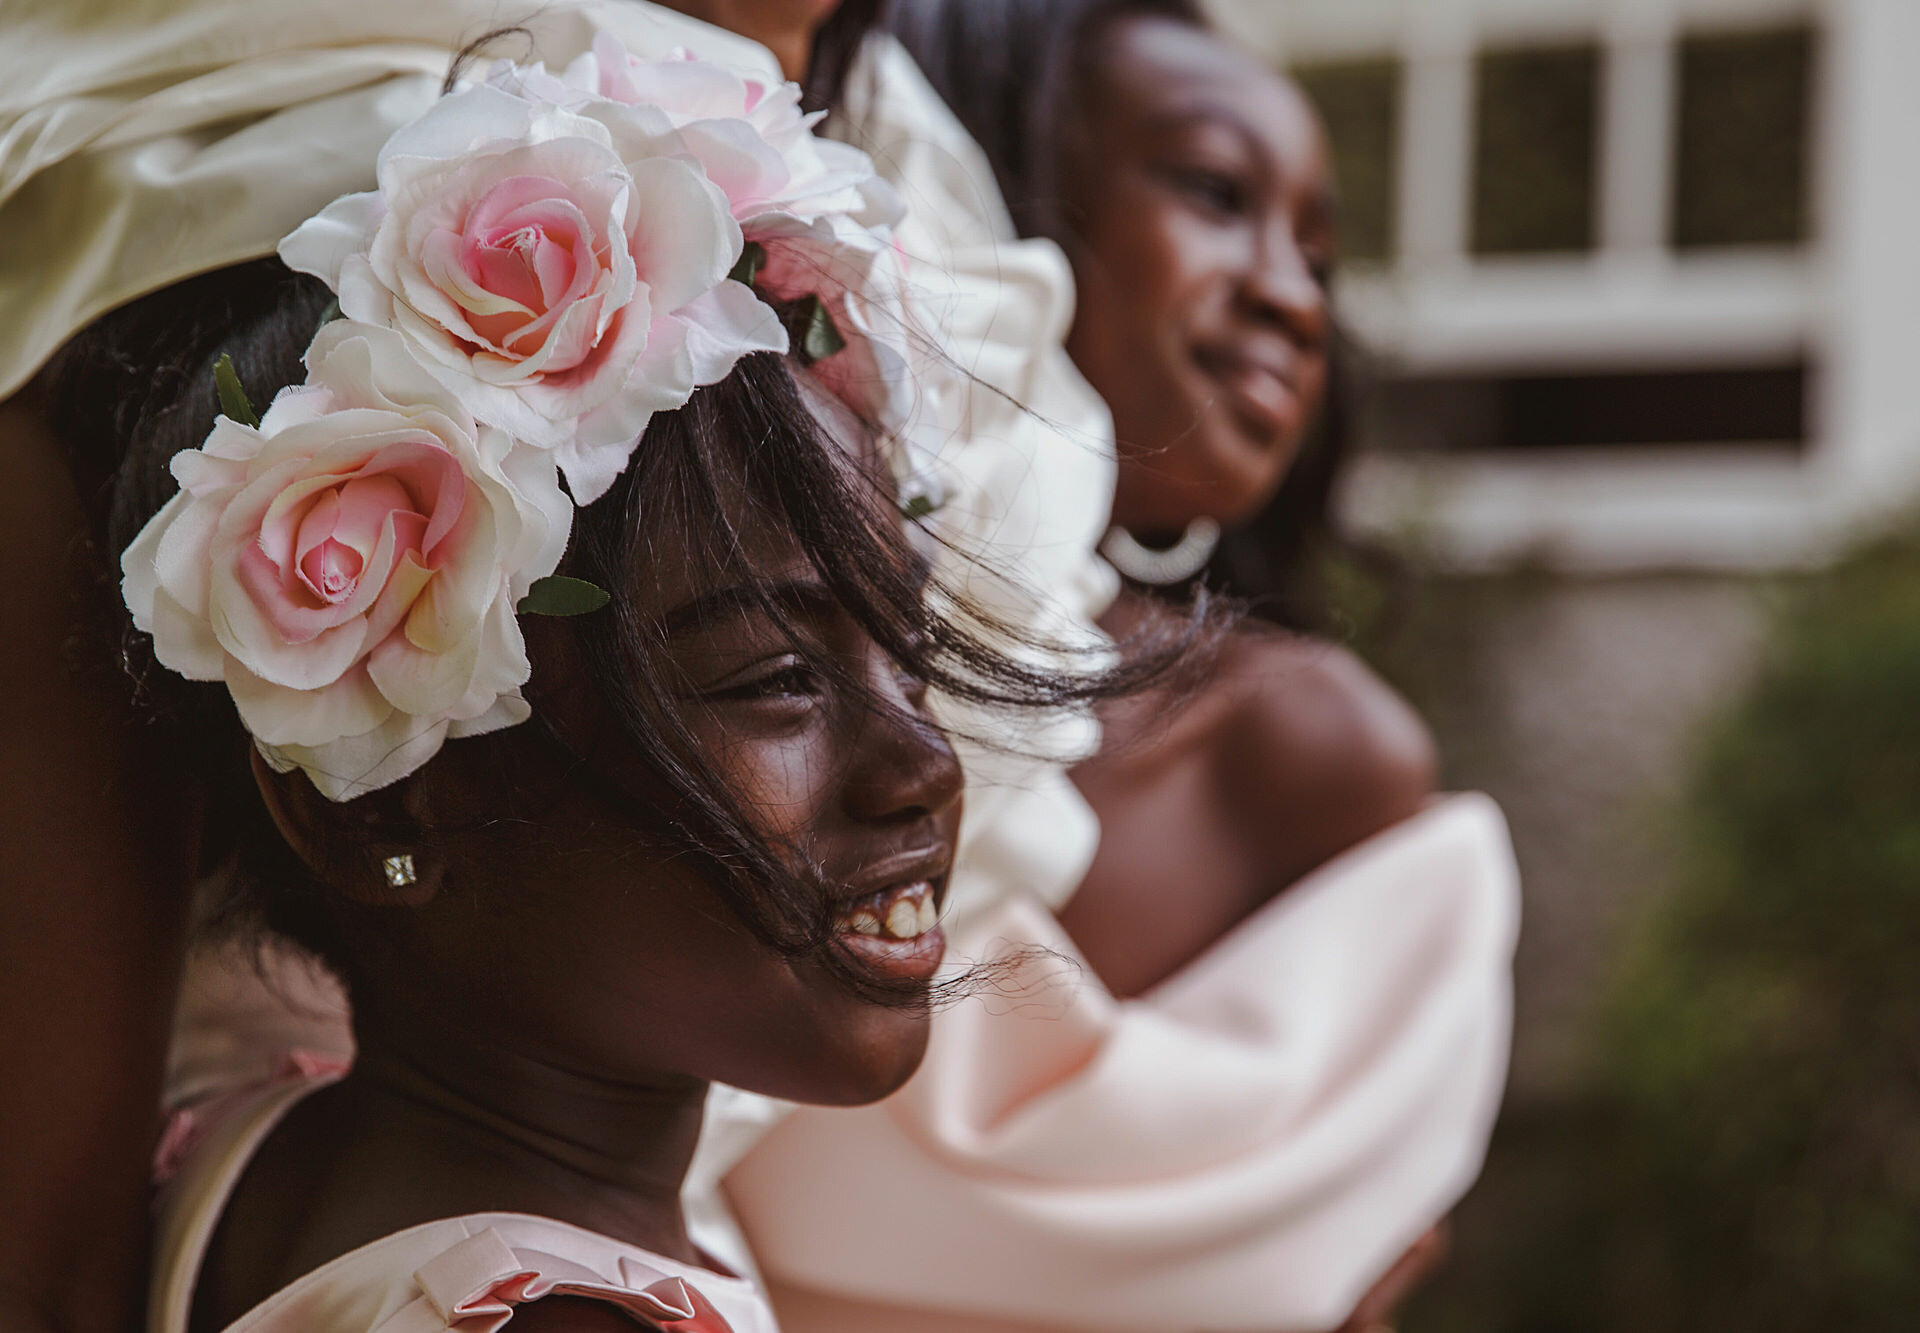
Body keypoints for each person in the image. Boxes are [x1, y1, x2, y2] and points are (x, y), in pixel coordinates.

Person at [35, 27, 1184, 1332]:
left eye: (908, 647)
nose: (923, 763)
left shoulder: (259, 1162)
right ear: (383, 804)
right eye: (780, 681)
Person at [718, 7, 1519, 1333]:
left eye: (1319, 254)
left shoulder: (1304, 751)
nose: (1287, 291)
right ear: (987, 191)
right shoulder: (726, 654)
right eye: (1215, 193)